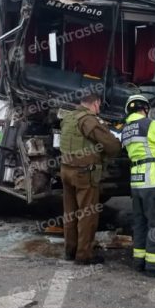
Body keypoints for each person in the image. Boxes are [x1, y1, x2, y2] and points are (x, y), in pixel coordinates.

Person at [60, 92, 121, 265]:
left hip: (66, 170)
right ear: (95, 103)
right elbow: (112, 146)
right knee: (87, 214)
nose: (99, 108)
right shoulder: (89, 120)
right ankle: (84, 255)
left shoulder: (69, 117)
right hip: (84, 174)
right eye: (99, 105)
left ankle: (70, 250)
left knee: (70, 213)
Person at [121, 94, 155, 279]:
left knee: (141, 223)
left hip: (136, 182)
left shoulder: (126, 130)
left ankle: (140, 261)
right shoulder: (150, 124)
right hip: (153, 180)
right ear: (144, 109)